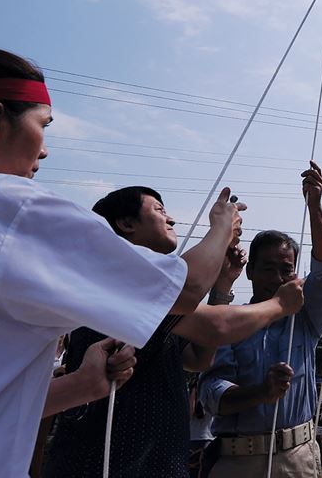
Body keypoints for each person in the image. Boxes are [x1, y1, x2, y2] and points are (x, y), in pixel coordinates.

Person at [0, 29, 244, 478]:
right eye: (43, 125)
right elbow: (187, 289)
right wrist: (220, 225)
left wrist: (81, 386)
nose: (46, 149)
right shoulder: (5, 207)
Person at [44, 186, 304, 478]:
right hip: (106, 465)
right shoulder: (115, 279)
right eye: (159, 210)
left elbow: (198, 357)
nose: (171, 220)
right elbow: (213, 321)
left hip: (152, 463)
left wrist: (221, 287)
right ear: (126, 223)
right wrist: (279, 303)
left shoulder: (148, 295)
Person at [202, 161, 322, 478]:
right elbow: (212, 392)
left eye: (286, 269)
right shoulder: (230, 320)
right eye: (267, 268)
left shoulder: (305, 318)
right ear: (249, 271)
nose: (277, 278)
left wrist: (315, 207)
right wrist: (261, 393)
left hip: (298, 458)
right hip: (239, 461)